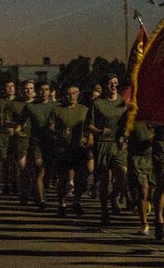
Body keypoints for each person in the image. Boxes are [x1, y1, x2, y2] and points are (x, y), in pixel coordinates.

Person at [86, 74, 128, 227]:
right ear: (105, 85)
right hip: (103, 144)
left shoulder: (123, 102)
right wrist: (98, 131)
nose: (113, 86)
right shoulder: (97, 103)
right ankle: (104, 212)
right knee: (104, 181)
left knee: (123, 176)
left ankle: (114, 195)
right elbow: (89, 125)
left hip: (118, 145)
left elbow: (129, 122)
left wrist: (125, 136)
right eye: (110, 83)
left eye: (116, 83)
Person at [48, 84, 89, 217]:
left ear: (78, 94)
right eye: (68, 93)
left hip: (80, 148)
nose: (71, 96)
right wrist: (59, 132)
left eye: (74, 93)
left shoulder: (84, 110)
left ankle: (77, 202)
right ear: (64, 95)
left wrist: (89, 138)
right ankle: (62, 204)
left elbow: (91, 126)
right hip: (63, 149)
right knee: (64, 178)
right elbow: (50, 127)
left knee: (81, 177)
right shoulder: (57, 110)